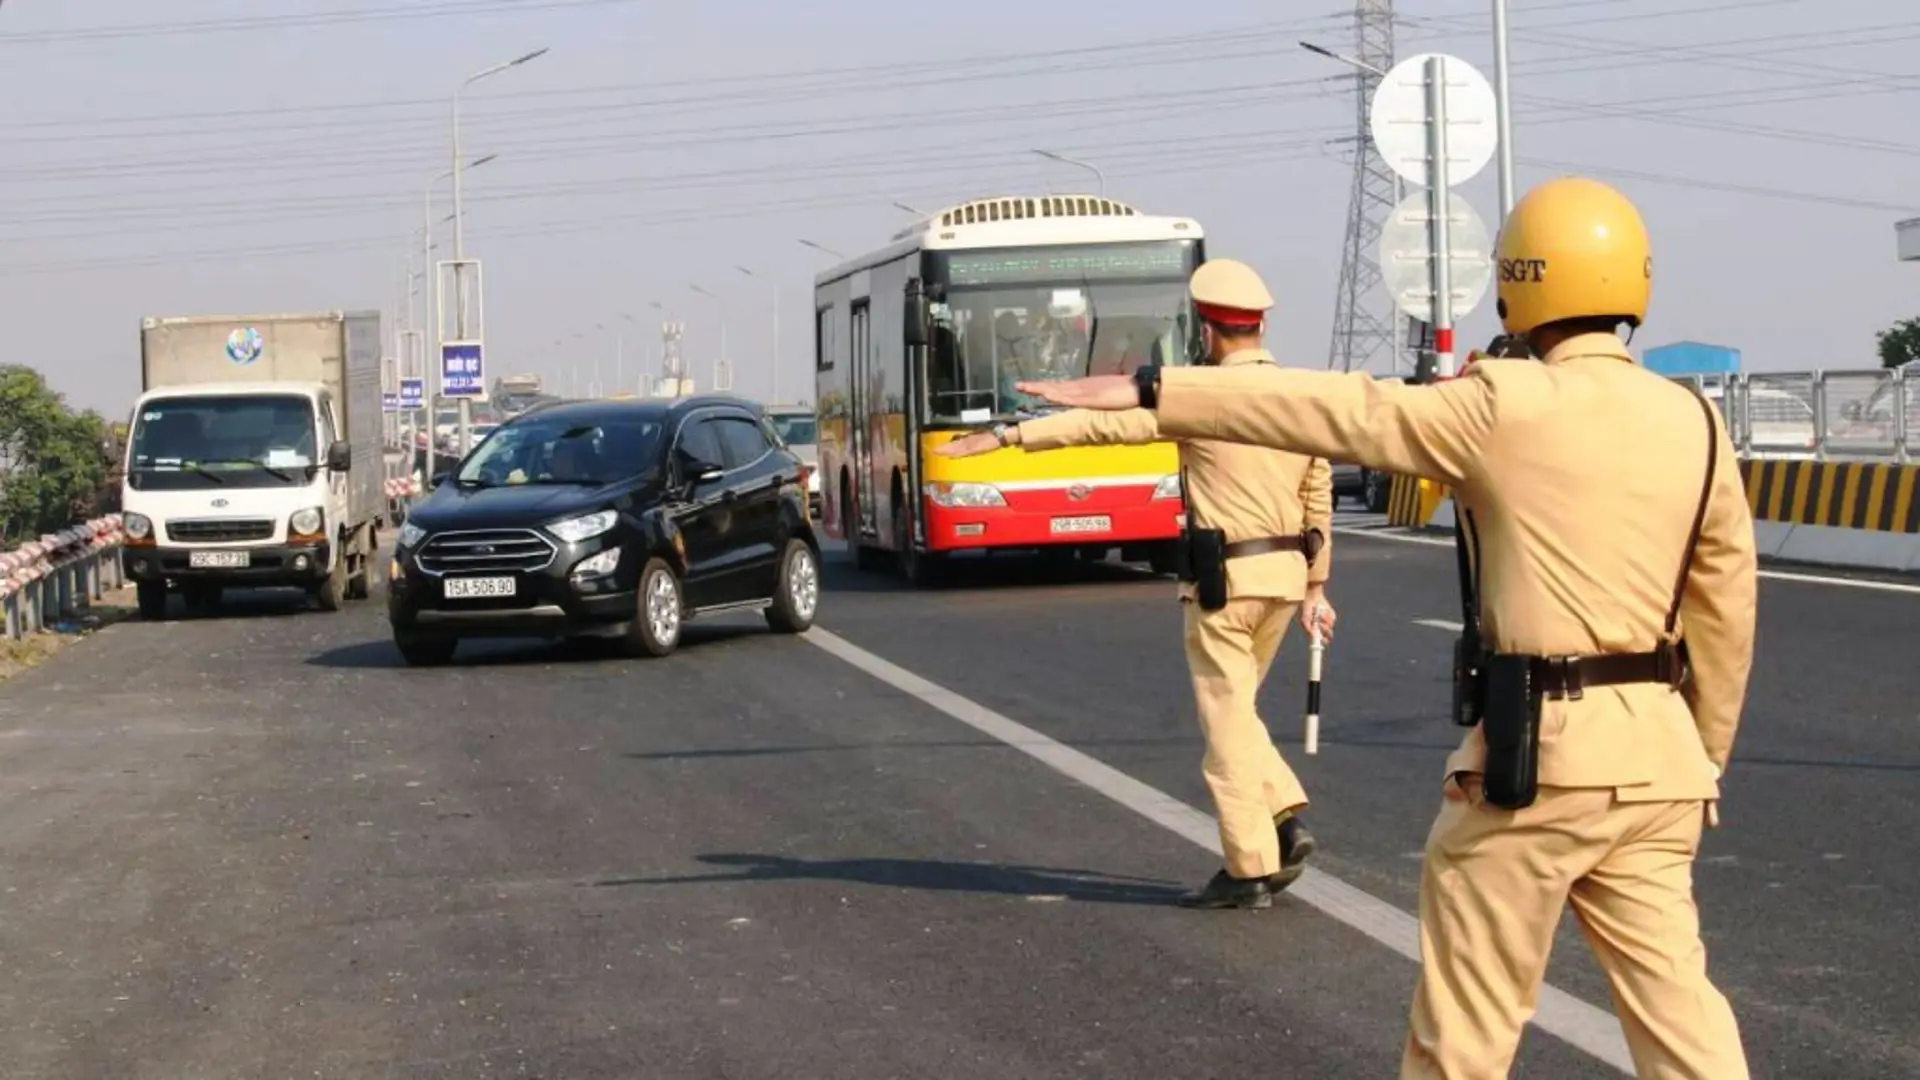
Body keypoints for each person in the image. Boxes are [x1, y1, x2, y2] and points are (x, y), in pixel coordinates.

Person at [1004, 177, 1756, 1078]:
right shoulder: (1697, 420)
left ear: (1519, 283)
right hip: (1661, 774)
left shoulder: (1499, 404)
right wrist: (1698, 756)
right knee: (1683, 1024)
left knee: (1465, 1040)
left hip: (1538, 770)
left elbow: (1336, 409)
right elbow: (1725, 612)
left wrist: (1154, 386)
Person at [937, 258, 1338, 911]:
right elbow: (1318, 487)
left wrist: (1010, 434)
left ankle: (1249, 870)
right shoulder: (1299, 394)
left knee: (1224, 731)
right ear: (1261, 325)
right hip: (1286, 580)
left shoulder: (1202, 396)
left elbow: (1104, 423)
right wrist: (1317, 585)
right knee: (1237, 714)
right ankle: (1283, 822)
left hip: (1225, 584)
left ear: (1207, 331)